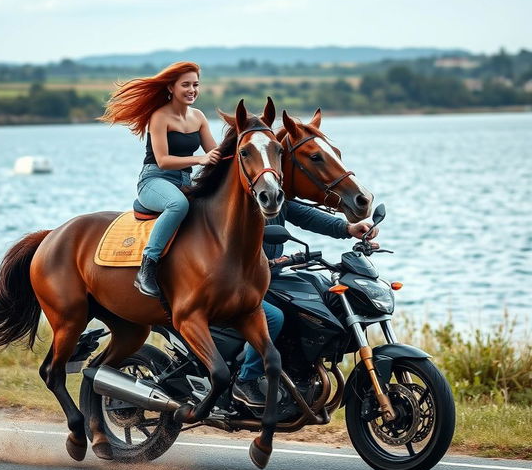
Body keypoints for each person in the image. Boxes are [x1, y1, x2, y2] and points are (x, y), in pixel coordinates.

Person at [232, 201, 378, 406]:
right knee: (274, 317)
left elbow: (306, 215)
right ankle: (246, 379)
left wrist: (348, 228)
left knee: (317, 300)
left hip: (268, 278)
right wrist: (266, 261)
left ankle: (299, 372)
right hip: (237, 283)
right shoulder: (239, 199)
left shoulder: (274, 197)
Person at [101, 62, 220, 298]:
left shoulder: (198, 117)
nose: (192, 90)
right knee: (178, 205)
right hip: (154, 180)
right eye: (185, 85)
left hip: (184, 181)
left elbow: (214, 154)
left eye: (195, 85)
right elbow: (163, 160)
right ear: (171, 87)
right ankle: (148, 267)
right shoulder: (159, 117)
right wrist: (200, 160)